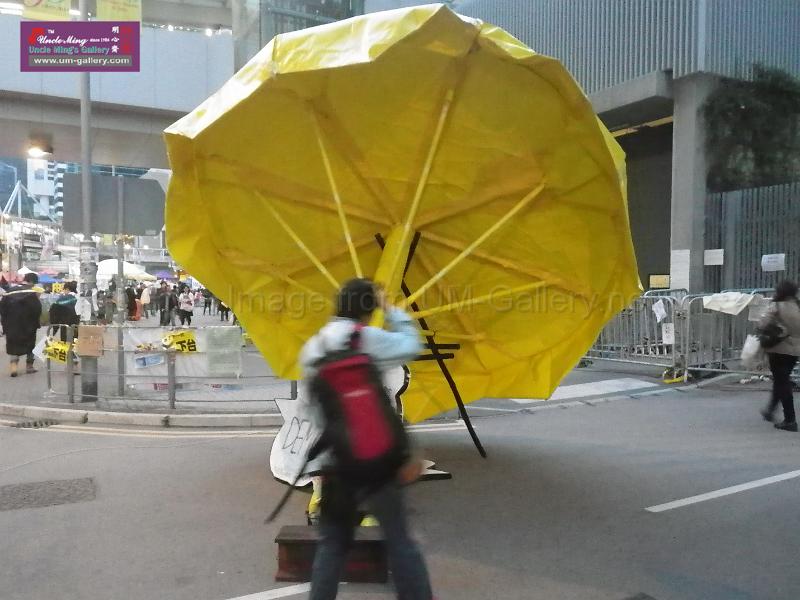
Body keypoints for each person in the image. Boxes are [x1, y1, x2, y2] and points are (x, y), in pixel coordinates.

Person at [299, 278, 433, 600]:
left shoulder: (313, 347)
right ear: (368, 309)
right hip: (380, 460)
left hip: (339, 462)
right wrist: (391, 310)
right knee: (399, 538)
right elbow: (413, 344)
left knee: (332, 544)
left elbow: (313, 409)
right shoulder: (368, 338)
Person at [760, 280, 800, 431]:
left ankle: (790, 419)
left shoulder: (776, 306)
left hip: (778, 348)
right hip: (795, 351)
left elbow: (763, 323)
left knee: (782, 383)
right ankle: (770, 410)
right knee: (781, 380)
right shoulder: (798, 305)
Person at [0, 273, 43, 377]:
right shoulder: (32, 293)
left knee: (13, 345)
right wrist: (36, 322)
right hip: (28, 325)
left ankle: (14, 367)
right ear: (32, 282)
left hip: (12, 325)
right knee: (30, 344)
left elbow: (2, 309)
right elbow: (37, 309)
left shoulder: (10, 291)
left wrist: (5, 323)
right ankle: (29, 366)